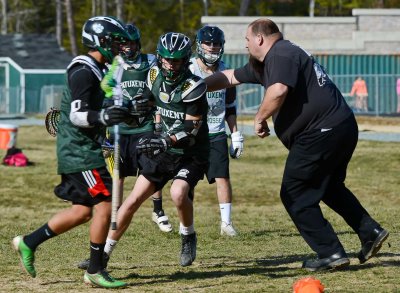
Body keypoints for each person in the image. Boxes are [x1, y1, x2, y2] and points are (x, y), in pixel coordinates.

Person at [205, 18, 389, 271]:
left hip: (321, 132)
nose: (246, 46)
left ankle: (331, 252)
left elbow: (278, 90)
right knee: (328, 187)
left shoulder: (281, 53)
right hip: (338, 128)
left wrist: (259, 118)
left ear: (259, 38)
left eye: (247, 40)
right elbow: (228, 77)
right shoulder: (269, 61)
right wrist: (196, 87)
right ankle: (370, 231)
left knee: (295, 193)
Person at [11, 16, 136, 288]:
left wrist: (123, 112)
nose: (118, 47)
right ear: (100, 41)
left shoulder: (99, 69)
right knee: (104, 205)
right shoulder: (83, 71)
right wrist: (104, 116)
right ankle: (94, 269)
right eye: (114, 42)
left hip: (84, 149)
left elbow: (100, 107)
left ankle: (28, 242)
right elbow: (78, 115)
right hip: (79, 153)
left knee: (82, 212)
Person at [98, 32, 209, 267]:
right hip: (165, 150)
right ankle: (102, 255)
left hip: (190, 153)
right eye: (167, 59)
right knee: (131, 202)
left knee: (178, 193)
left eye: (176, 60)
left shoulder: (193, 86)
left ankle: (188, 235)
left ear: (186, 59)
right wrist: (134, 107)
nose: (170, 64)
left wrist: (165, 140)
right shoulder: (153, 74)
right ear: (159, 57)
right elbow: (150, 100)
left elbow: (192, 126)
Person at [76, 23, 172, 271]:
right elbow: (102, 91)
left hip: (145, 131)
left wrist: (150, 103)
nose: (128, 47)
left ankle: (161, 212)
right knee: (114, 189)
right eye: (124, 43)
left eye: (132, 43)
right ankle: (105, 244)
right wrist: (115, 104)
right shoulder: (113, 65)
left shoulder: (151, 62)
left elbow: (161, 86)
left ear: (139, 43)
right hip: (118, 133)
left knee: (149, 181)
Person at [190, 25, 243, 236]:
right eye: (208, 43)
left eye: (216, 43)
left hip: (216, 133)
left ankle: (226, 223)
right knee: (187, 180)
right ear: (199, 44)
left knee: (222, 177)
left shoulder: (226, 69)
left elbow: (229, 107)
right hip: (192, 133)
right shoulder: (190, 69)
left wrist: (236, 135)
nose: (212, 47)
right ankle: (188, 223)